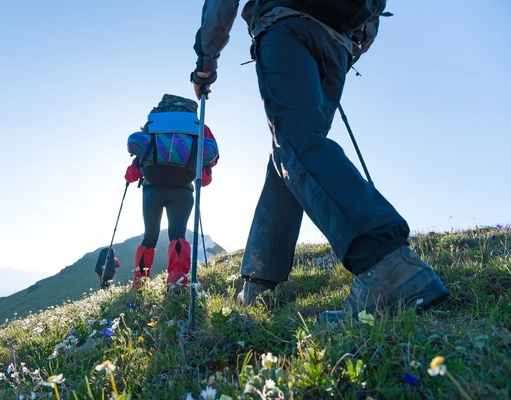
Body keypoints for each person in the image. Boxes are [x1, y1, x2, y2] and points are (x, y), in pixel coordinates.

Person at [190, 1, 450, 321]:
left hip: (285, 29)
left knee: (297, 143)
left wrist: (206, 60)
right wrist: (347, 45)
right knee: (291, 151)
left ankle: (387, 265)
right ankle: (260, 282)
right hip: (337, 46)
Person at [125, 94, 219, 292]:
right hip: (183, 190)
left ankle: (139, 284)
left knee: (150, 235)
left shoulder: (154, 124)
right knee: (178, 234)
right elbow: (207, 168)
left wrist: (129, 177)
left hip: (152, 189)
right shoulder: (197, 127)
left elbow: (140, 158)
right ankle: (177, 283)